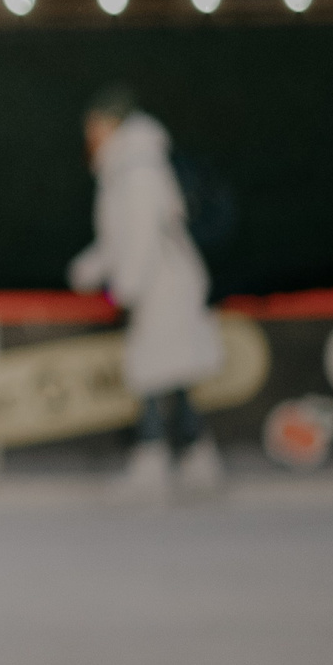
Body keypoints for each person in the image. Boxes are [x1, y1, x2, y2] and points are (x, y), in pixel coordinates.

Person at [69, 87, 224, 498]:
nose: (90, 135)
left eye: (94, 126)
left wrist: (121, 288)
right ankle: (197, 460)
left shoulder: (136, 168)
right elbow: (118, 239)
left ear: (110, 123)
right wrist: (88, 270)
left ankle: (152, 462)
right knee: (175, 374)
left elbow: (141, 238)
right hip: (164, 284)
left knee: (151, 374)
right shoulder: (123, 166)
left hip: (163, 286)